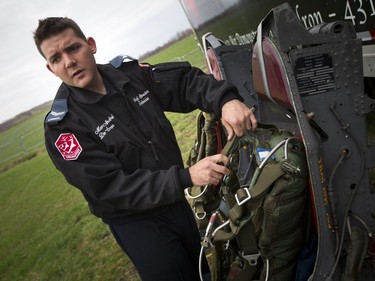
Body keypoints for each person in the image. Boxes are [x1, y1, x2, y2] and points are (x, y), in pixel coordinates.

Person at [33, 17, 257, 281]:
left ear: (90, 45)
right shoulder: (64, 127)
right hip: (138, 224)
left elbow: (185, 83)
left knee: (200, 271)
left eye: (72, 48)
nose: (69, 61)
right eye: (56, 58)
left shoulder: (129, 75)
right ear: (51, 69)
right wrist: (185, 177)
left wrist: (225, 100)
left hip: (175, 203)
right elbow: (109, 187)